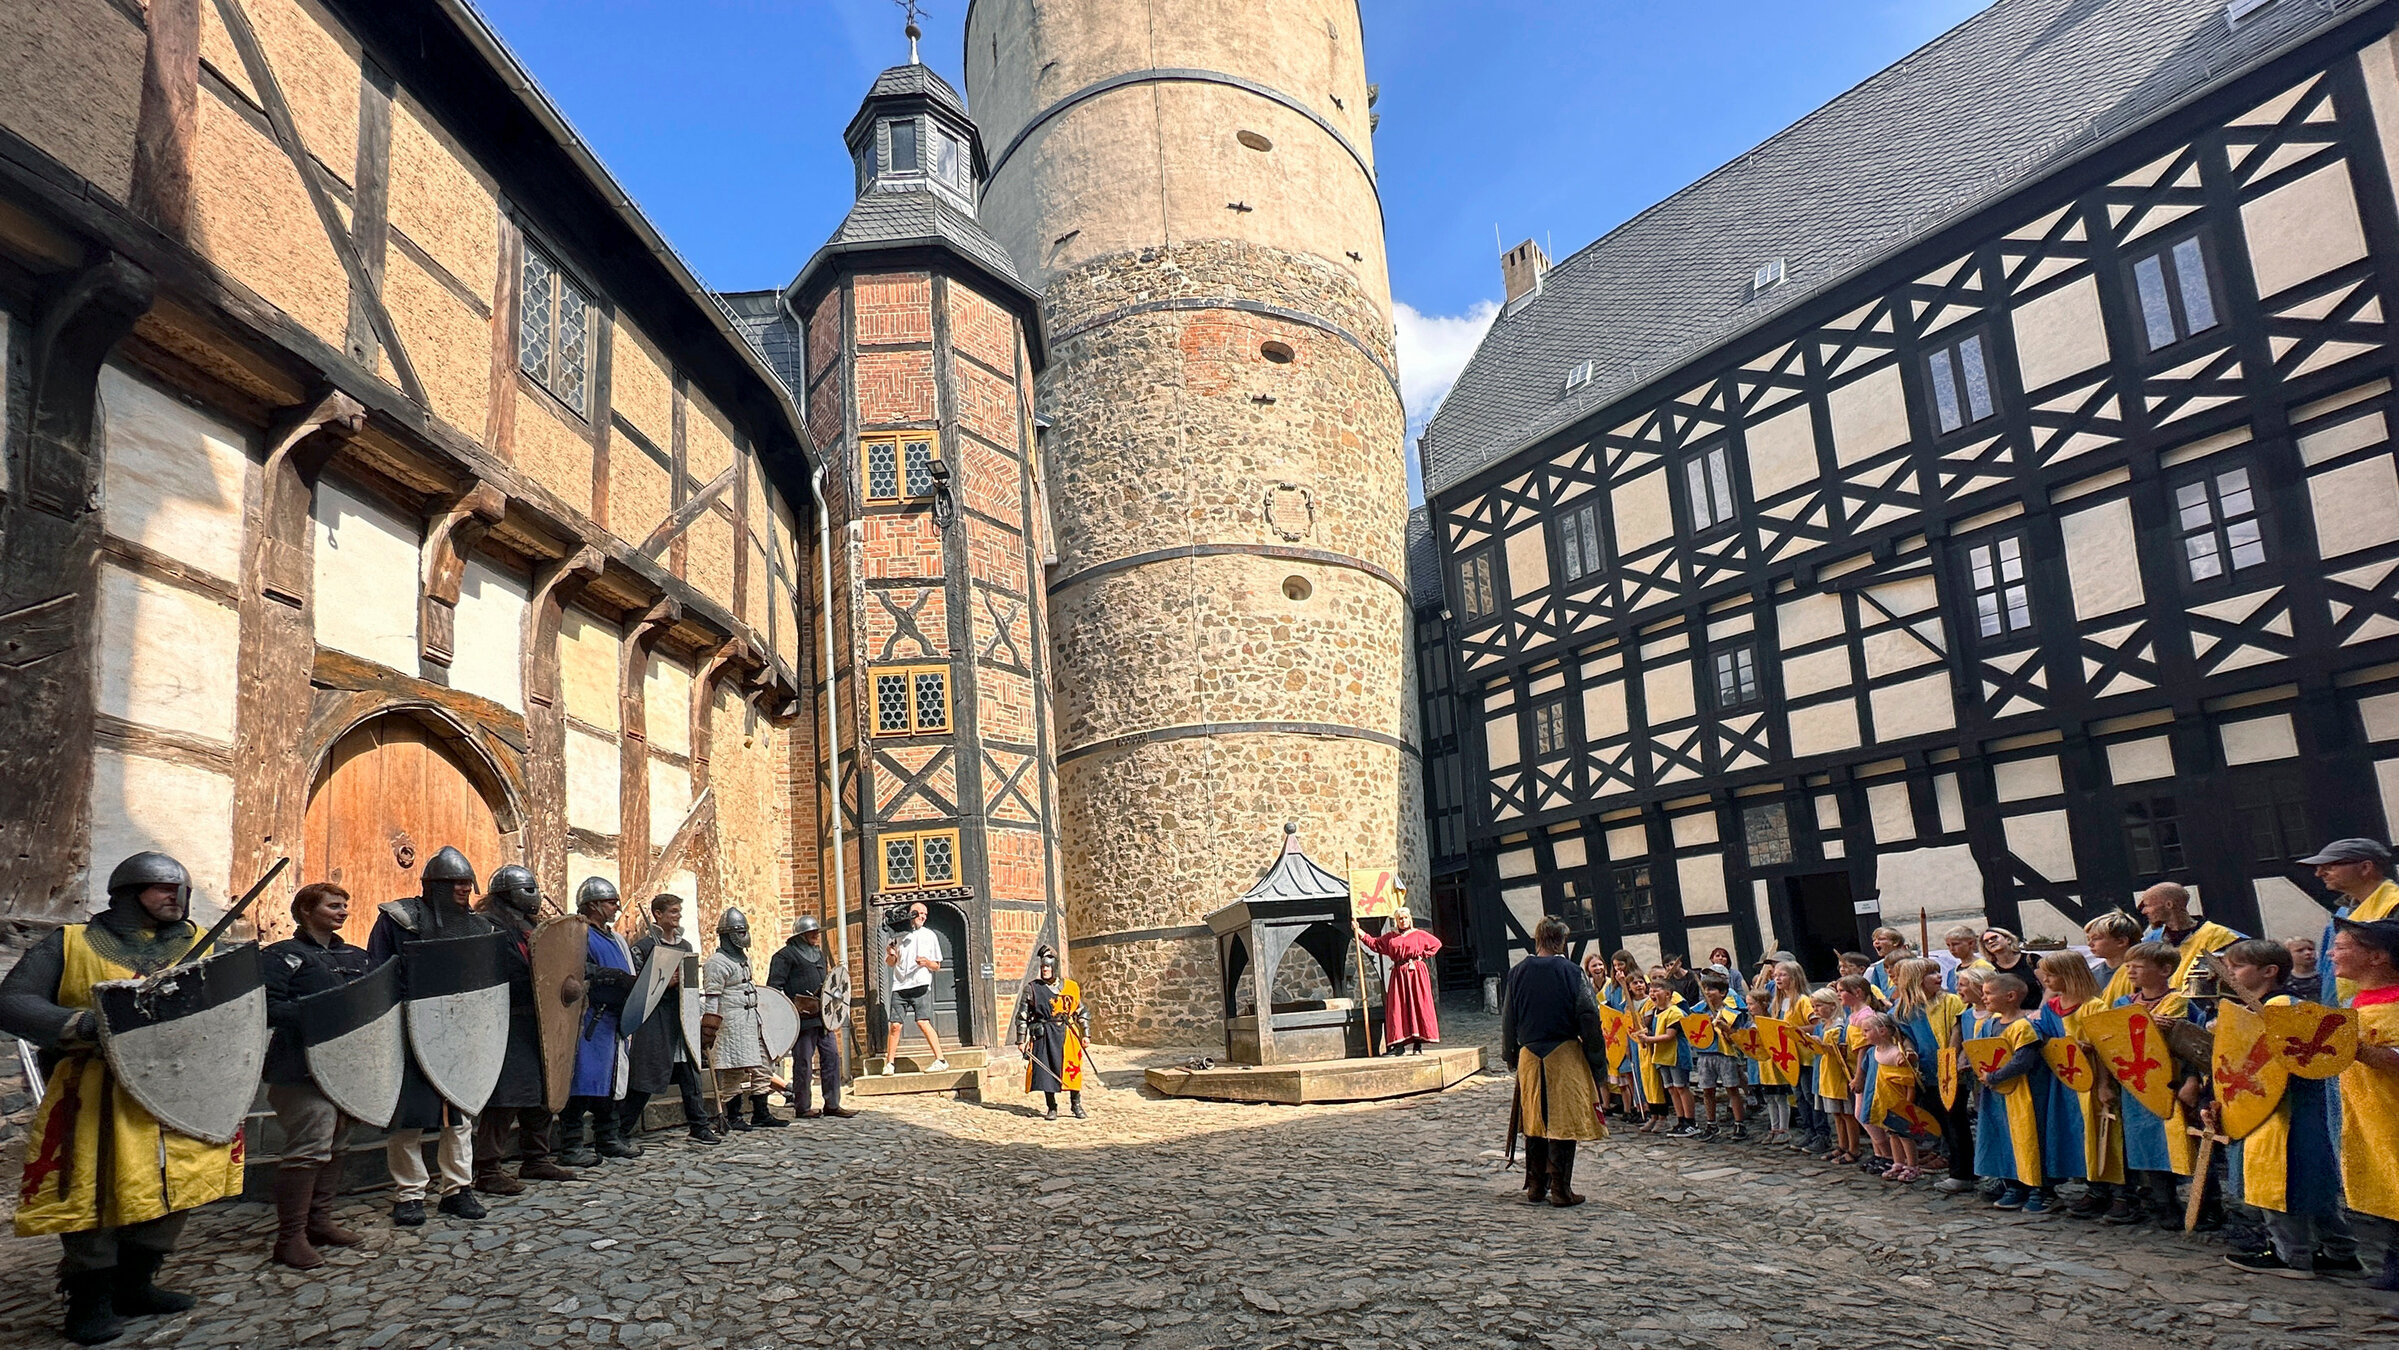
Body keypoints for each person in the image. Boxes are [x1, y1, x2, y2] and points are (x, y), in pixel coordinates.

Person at [0, 852, 236, 1344]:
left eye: (180, 890)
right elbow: (13, 1001)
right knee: (93, 1189)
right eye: (162, 889)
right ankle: (89, 1300)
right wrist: (84, 1022)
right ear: (128, 895)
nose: (175, 897)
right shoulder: (71, 943)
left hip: (181, 1088)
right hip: (97, 1089)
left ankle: (136, 1284)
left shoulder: (199, 944)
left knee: (178, 1182)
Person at [366, 846, 496, 1227]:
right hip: (409, 1031)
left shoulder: (480, 926)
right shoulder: (399, 919)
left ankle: (458, 1189)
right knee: (408, 1118)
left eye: (466, 882)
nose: (463, 887)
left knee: (459, 1116)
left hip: (460, 1032)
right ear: (432, 885)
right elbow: (380, 973)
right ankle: (409, 1195)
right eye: (454, 882)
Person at [2215, 939, 2360, 1278]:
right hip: (2278, 1107)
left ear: (2269, 971)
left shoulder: (2282, 1007)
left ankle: (2291, 1255)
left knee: (2279, 1181)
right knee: (2311, 1184)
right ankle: (2342, 1253)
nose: (2230, 973)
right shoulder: (2259, 1008)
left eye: (2237, 967)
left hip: (2285, 1111)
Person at [260, 882, 374, 1270]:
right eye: (332, 905)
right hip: (298, 1067)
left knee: (337, 1142)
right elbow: (268, 1007)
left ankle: (320, 1222)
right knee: (311, 1144)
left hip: (346, 1067)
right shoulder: (281, 956)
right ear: (307, 910)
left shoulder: (357, 957)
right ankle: (290, 1238)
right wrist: (319, 1015)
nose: (342, 912)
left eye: (345, 905)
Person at [473, 864, 570, 1190]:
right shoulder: (489, 926)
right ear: (505, 893)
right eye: (527, 889)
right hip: (508, 1021)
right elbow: (499, 973)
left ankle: (536, 1159)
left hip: (542, 1021)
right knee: (507, 1097)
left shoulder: (534, 926)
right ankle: (487, 1169)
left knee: (544, 1093)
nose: (534, 895)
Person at [1501, 917, 1607, 1206]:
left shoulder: (1517, 972)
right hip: (1564, 1053)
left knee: (1533, 1120)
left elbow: (1508, 1018)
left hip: (1529, 1054)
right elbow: (1588, 1017)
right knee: (1562, 1122)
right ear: (1561, 941)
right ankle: (1560, 1190)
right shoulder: (1572, 972)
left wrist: (1510, 1054)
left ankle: (1536, 1187)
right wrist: (1598, 1062)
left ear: (1537, 940)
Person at [2329, 917, 2399, 1295]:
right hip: (2372, 1111)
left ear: (2377, 957)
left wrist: (2358, 1050)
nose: (2331, 953)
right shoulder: (2356, 1001)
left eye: (2341, 947)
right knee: (2388, 1182)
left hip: (2392, 1111)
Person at [2114, 940, 2197, 1228]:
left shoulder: (2183, 1003)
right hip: (2138, 1083)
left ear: (2164, 969)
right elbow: (2114, 1040)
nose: (2131, 971)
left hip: (2175, 1082)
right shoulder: (2123, 1004)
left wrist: (2193, 1079)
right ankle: (2164, 1203)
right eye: (2128, 965)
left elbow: (2197, 1047)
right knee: (2147, 1145)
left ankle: (2204, 1204)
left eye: (2138, 966)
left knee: (2186, 1143)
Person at [624, 893, 718, 1144]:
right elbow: (636, 987)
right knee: (647, 1075)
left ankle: (699, 1126)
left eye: (678, 911)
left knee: (690, 1072)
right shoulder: (643, 948)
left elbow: (691, 985)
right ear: (658, 915)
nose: (678, 916)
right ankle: (621, 1129)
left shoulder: (685, 947)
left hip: (682, 1018)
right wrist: (665, 983)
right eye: (673, 911)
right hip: (656, 1018)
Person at [558, 878, 639, 1165]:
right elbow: (569, 967)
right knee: (582, 1082)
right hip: (590, 1017)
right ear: (593, 904)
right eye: (610, 902)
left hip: (613, 1019)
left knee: (609, 1082)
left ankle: (608, 1138)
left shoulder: (613, 937)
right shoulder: (579, 934)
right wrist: (601, 973)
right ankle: (570, 1147)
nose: (616, 907)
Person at [2037, 950, 2119, 1220]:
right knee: (2075, 1133)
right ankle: (2089, 1185)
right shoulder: (2050, 1008)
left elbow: (2107, 1048)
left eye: (2051, 975)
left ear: (2070, 975)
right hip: (2065, 1080)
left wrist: (2104, 1083)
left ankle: (2110, 1189)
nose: (2046, 980)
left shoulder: (2094, 1006)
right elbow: (2047, 1041)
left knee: (2100, 1133)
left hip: (2094, 1079)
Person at [1971, 970, 2051, 1212]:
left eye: (1988, 993)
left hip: (2023, 1095)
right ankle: (2014, 1184)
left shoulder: (2024, 1027)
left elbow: (2022, 1060)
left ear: (2010, 996)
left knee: (2029, 1139)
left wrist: (1995, 1076)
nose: (1984, 998)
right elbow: (1982, 1053)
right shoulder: (1988, 1025)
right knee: (2004, 1139)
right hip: (1997, 1097)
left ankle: (2040, 1189)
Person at [704, 906, 788, 1129]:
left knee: (763, 1064)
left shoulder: (744, 959)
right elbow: (712, 997)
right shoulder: (716, 963)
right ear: (728, 935)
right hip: (731, 1024)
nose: (743, 937)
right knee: (734, 1069)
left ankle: (761, 1113)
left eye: (744, 931)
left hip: (752, 1021)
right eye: (739, 933)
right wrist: (709, 1027)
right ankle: (734, 1117)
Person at [768, 915, 854, 1119]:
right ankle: (802, 1106)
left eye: (817, 932)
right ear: (801, 935)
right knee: (804, 1062)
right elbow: (774, 987)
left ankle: (832, 1104)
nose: (816, 935)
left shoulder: (818, 954)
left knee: (832, 1057)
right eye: (812, 932)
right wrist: (791, 1010)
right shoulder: (785, 956)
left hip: (824, 1017)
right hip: (802, 1020)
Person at [2301, 838, 2399, 1005]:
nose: (2319, 873)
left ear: (2365, 867)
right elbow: (2327, 972)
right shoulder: (2343, 914)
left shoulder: (2394, 906)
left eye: (2329, 866)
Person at [1354, 896, 1442, 1054]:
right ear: (1396, 920)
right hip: (1399, 975)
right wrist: (1359, 932)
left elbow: (1436, 944)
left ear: (1409, 919)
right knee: (1398, 1007)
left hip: (1416, 974)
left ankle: (1418, 1043)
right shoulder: (1391, 937)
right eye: (1400, 918)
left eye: (1405, 918)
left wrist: (1421, 956)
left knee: (1418, 1005)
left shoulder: (1419, 935)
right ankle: (1399, 1045)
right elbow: (1375, 944)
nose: (1403, 920)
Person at [1014, 945, 1092, 1120]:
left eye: (1048, 967)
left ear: (1055, 967)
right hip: (1045, 1034)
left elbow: (1082, 1011)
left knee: (1072, 1069)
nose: (1045, 970)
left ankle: (1076, 1104)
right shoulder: (1032, 988)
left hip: (1068, 1032)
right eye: (1043, 967)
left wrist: (1085, 1034)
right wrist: (1021, 1040)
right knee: (1047, 1071)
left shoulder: (1071, 987)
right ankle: (1052, 1107)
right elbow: (1022, 1015)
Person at [2136, 882, 2242, 999]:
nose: (2144, 911)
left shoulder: (2219, 936)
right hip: (2161, 1008)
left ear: (2169, 904)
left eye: (2147, 905)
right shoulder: (2151, 940)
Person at [882, 901, 947, 1073]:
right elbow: (890, 963)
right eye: (920, 913)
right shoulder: (898, 935)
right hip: (900, 985)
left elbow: (937, 966)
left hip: (920, 984)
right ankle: (889, 1064)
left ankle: (940, 1060)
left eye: (925, 914)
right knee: (895, 1025)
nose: (923, 917)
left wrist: (926, 962)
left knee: (922, 1021)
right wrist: (891, 954)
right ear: (911, 914)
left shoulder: (930, 935)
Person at [1690, 973, 1750, 1141]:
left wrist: (1723, 1026)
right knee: (1707, 1090)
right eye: (1706, 989)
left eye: (1712, 989)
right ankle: (1711, 1124)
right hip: (1705, 1053)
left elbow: (1735, 1036)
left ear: (1723, 993)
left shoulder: (1731, 1012)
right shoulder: (1698, 1010)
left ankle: (1739, 1124)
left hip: (1725, 1054)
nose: (1708, 992)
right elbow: (1692, 1031)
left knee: (1732, 1089)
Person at [1635, 971, 1693, 1135]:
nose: (1652, 994)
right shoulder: (1655, 1012)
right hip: (1662, 1057)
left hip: (1676, 1055)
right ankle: (1680, 1119)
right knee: (1671, 1089)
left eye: (1656, 991)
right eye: (1651, 991)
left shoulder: (1674, 1012)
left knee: (1681, 1087)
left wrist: (1648, 1040)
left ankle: (1690, 1121)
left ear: (1668, 994)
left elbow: (1669, 1035)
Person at [2084, 911, 2143, 1005]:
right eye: (2088, 939)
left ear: (2121, 941)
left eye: (2096, 938)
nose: (2090, 944)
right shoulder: (2091, 975)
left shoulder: (2145, 973)